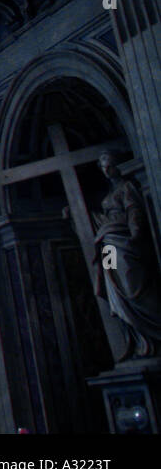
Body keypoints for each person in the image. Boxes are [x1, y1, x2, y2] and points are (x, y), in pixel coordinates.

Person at [93, 153, 161, 359]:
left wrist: (135, 235)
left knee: (131, 286)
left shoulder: (127, 188)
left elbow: (134, 212)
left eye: (110, 166)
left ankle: (152, 333)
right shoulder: (109, 194)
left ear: (118, 166)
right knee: (113, 285)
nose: (107, 171)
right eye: (104, 167)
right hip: (107, 245)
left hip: (123, 243)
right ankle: (134, 339)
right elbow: (102, 218)